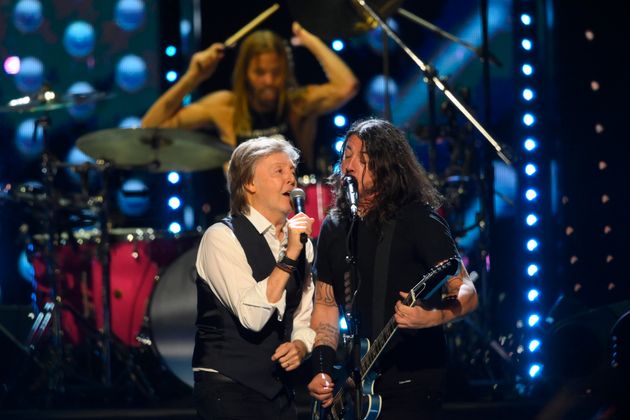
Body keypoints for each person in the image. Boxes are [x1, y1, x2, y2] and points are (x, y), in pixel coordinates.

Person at [307, 118, 479, 419]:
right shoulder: (335, 227)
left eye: (363, 158)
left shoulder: (418, 219)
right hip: (356, 383)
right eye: (346, 154)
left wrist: (431, 316)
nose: (350, 165)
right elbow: (325, 305)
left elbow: (465, 289)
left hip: (413, 377)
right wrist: (322, 369)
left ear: (386, 164)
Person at [192, 136, 316, 419]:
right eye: (279, 171)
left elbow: (304, 315)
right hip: (229, 388)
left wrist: (301, 345)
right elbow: (252, 316)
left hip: (279, 391)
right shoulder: (221, 237)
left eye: (292, 171)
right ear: (249, 183)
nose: (291, 180)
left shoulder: (302, 243)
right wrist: (288, 258)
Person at [141, 22, 359, 171]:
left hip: (299, 217)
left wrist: (308, 38)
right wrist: (193, 76)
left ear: (286, 70)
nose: (269, 81)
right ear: (245, 73)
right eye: (260, 73)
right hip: (246, 226)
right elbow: (150, 127)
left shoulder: (298, 104)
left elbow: (347, 86)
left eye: (276, 72)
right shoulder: (225, 107)